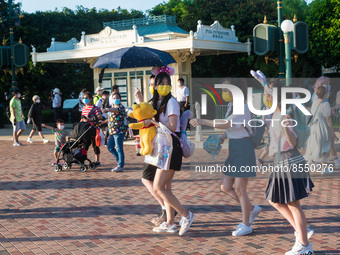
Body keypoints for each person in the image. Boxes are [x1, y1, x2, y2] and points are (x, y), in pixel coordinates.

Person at [190, 79, 262, 236]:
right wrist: (222, 138)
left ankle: (246, 224)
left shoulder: (242, 107)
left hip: (244, 148)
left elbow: (227, 123)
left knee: (239, 188)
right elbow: (232, 128)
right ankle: (250, 208)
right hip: (234, 148)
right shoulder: (231, 106)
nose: (225, 92)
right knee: (225, 186)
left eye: (228, 89)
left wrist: (202, 121)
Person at [142, 70, 195, 235]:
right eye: (161, 84)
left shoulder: (171, 102)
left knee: (158, 187)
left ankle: (186, 214)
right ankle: (171, 223)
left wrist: (154, 122)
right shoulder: (158, 102)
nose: (165, 86)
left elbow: (173, 126)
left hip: (171, 148)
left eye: (167, 84)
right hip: (163, 148)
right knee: (165, 187)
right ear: (155, 86)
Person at [265, 84, 314, 255]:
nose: (267, 97)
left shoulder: (285, 116)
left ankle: (304, 245)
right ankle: (302, 233)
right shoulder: (276, 113)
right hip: (281, 161)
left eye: (269, 95)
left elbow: (293, 142)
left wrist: (286, 127)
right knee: (275, 200)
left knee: (293, 204)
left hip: (289, 160)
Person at [134, 73, 169, 227]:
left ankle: (168, 212)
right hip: (153, 148)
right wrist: (140, 101)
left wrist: (151, 121)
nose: (154, 86)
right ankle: (167, 210)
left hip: (162, 147)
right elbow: (143, 117)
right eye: (152, 84)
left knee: (158, 183)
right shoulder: (153, 101)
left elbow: (165, 124)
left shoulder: (167, 102)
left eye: (155, 83)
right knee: (152, 181)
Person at [305, 85, 336, 174]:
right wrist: (332, 132)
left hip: (314, 127)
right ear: (325, 94)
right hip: (322, 126)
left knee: (315, 145)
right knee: (325, 146)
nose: (328, 93)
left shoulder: (314, 103)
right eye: (327, 92)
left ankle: (313, 162)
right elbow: (328, 119)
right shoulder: (325, 104)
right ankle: (324, 168)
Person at [310, 76, 340, 168]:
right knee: (325, 144)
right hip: (322, 124)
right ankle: (326, 164)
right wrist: (334, 107)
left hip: (317, 124)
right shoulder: (317, 96)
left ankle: (334, 160)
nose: (328, 86)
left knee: (325, 143)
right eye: (326, 84)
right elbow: (322, 109)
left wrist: (331, 110)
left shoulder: (317, 95)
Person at [102, 93, 126, 172]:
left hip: (119, 131)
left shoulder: (121, 107)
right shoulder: (112, 107)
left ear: (120, 99)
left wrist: (107, 110)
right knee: (110, 147)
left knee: (119, 148)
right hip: (112, 132)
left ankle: (120, 165)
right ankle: (120, 160)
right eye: (114, 98)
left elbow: (116, 111)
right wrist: (102, 122)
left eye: (117, 98)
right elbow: (111, 118)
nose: (115, 99)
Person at [81, 91, 102, 167]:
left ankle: (97, 160)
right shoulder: (84, 108)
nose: (85, 99)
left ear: (90, 99)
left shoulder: (95, 108)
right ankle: (82, 159)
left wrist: (90, 119)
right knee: (85, 145)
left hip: (93, 128)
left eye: (86, 98)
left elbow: (99, 116)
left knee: (95, 145)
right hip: (85, 129)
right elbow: (82, 117)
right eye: (84, 98)